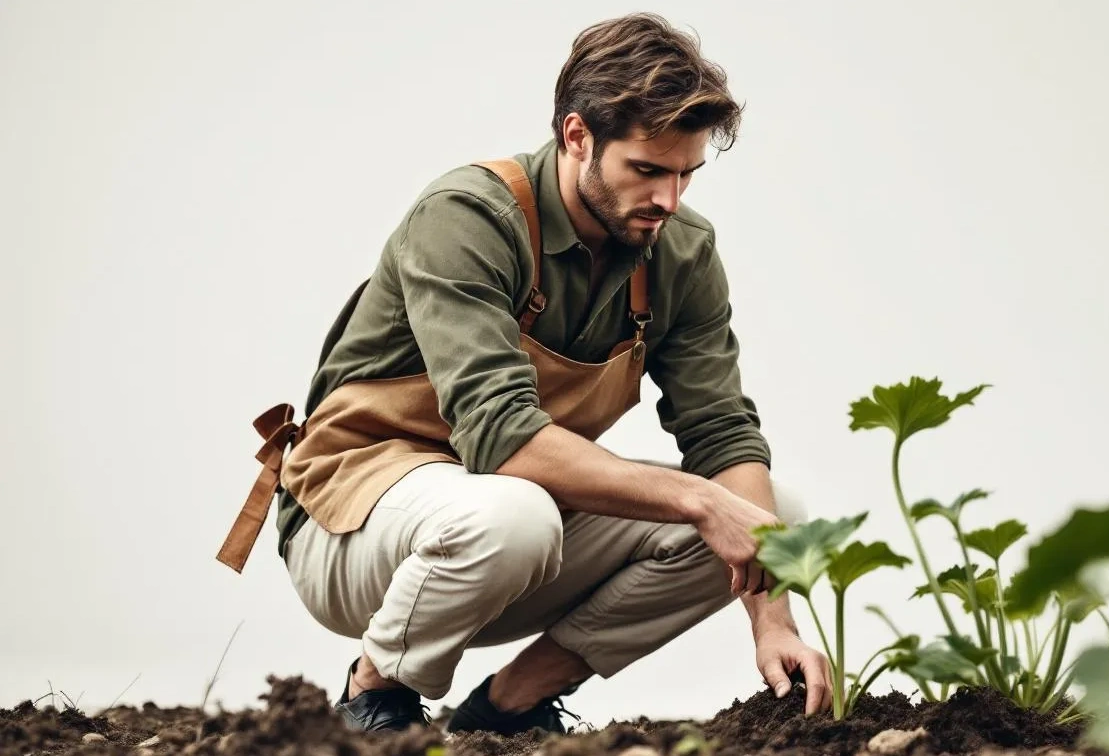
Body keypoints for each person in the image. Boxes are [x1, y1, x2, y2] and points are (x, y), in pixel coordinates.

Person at [215, 11, 832, 736]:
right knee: (520, 514)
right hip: (352, 528)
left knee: (778, 513)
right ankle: (374, 692)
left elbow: (720, 431)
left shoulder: (680, 251)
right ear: (577, 136)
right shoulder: (469, 218)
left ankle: (510, 704)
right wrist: (699, 501)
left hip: (511, 537)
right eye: (647, 170)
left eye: (686, 174)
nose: (669, 200)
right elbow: (502, 438)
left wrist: (772, 618)